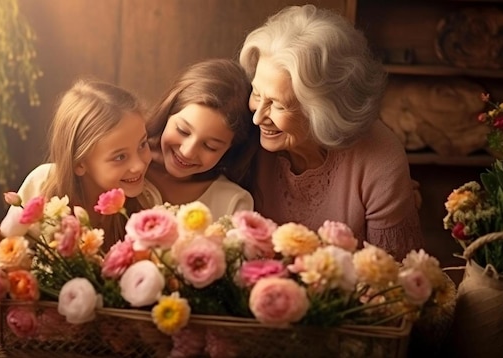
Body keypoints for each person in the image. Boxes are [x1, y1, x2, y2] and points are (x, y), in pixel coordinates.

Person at [238, 5, 423, 259]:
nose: (258, 117)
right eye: (257, 94)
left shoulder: (379, 158)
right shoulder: (244, 132)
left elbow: (392, 277)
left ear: (324, 111)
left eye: (278, 105)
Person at [0, 78, 160, 247]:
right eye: (120, 157)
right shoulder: (43, 184)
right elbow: (3, 249)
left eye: (142, 144)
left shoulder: (147, 201)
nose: (139, 165)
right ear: (79, 163)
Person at [145, 58, 259, 218]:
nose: (188, 152)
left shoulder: (232, 202)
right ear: (168, 112)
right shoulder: (130, 170)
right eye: (182, 131)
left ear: (230, 148)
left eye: (210, 146)